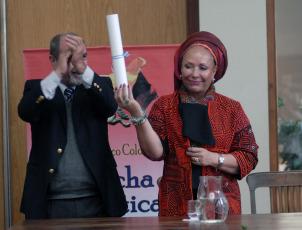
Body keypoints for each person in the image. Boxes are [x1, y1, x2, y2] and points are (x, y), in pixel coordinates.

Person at [114, 31, 258, 216]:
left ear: (214, 71)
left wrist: (214, 158)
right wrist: (136, 113)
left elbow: (249, 156)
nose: (195, 74)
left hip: (222, 207)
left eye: (203, 68)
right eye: (188, 66)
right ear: (180, 69)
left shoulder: (231, 108)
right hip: (175, 205)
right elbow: (155, 152)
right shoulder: (165, 106)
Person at [18, 33, 127, 219]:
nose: (77, 64)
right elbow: (26, 112)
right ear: (53, 60)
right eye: (70, 58)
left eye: (83, 56)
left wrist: (85, 70)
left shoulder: (97, 87)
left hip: (98, 199)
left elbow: (111, 106)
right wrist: (57, 74)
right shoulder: (38, 88)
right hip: (49, 202)